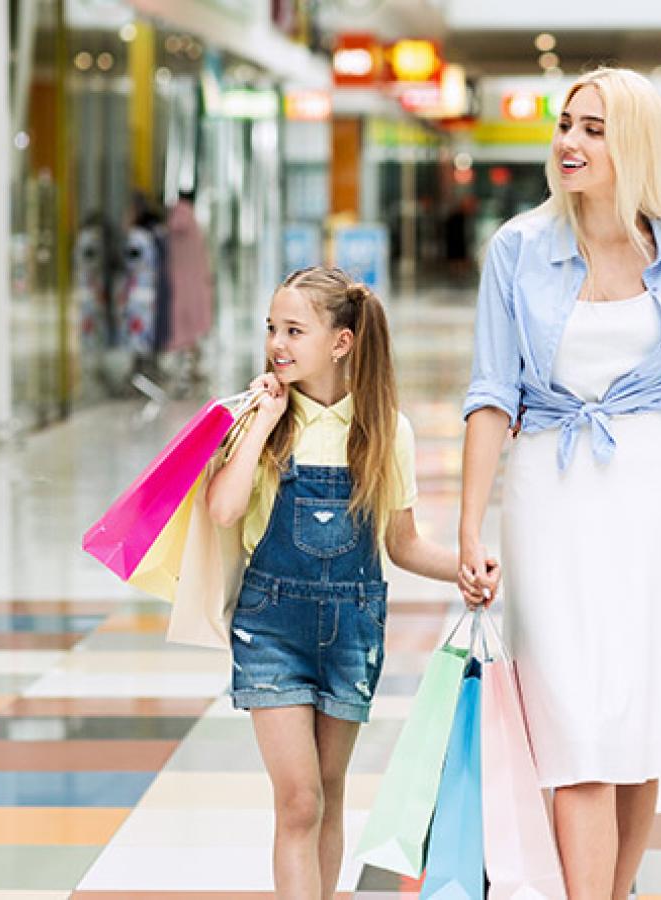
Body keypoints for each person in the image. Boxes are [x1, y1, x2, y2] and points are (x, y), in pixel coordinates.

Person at [457, 67, 661, 896]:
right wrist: (468, 529)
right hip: (549, 493)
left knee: (640, 724)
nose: (569, 142)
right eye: (566, 125)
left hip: (653, 496)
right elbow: (490, 392)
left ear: (637, 143)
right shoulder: (518, 249)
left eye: (593, 128)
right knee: (574, 724)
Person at [205, 267, 462, 898]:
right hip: (270, 627)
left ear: (341, 342)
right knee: (298, 800)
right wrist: (262, 423)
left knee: (329, 792)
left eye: (294, 330)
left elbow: (401, 545)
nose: (277, 343)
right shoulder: (261, 422)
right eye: (272, 329)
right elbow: (223, 509)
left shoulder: (384, 430)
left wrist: (466, 566)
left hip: (353, 632)